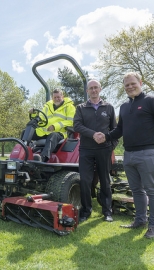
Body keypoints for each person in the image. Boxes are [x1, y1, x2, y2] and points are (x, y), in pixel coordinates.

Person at [99, 72, 154, 239]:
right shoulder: (123, 107)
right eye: (127, 85)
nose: (130, 87)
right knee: (136, 190)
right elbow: (120, 130)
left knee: (151, 191)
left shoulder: (150, 101)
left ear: (140, 82)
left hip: (147, 153)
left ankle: (153, 226)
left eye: (133, 83)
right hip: (129, 154)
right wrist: (106, 136)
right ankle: (140, 220)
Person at [73, 79, 117, 223]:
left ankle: (107, 211)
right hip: (86, 149)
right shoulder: (81, 108)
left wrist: (112, 146)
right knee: (85, 180)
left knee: (105, 181)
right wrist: (93, 134)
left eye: (95, 87)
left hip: (104, 150)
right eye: (90, 88)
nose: (93, 90)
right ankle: (86, 210)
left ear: (100, 89)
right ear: (87, 91)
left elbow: (115, 129)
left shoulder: (109, 107)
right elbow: (77, 126)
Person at [29, 88, 75, 162]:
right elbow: (41, 117)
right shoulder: (47, 106)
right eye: (55, 97)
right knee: (27, 132)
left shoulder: (69, 107)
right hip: (45, 131)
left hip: (60, 133)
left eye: (58, 97)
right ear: (52, 98)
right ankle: (23, 154)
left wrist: (55, 126)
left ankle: (43, 158)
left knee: (52, 136)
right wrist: (33, 114)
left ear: (62, 97)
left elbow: (70, 122)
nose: (57, 99)